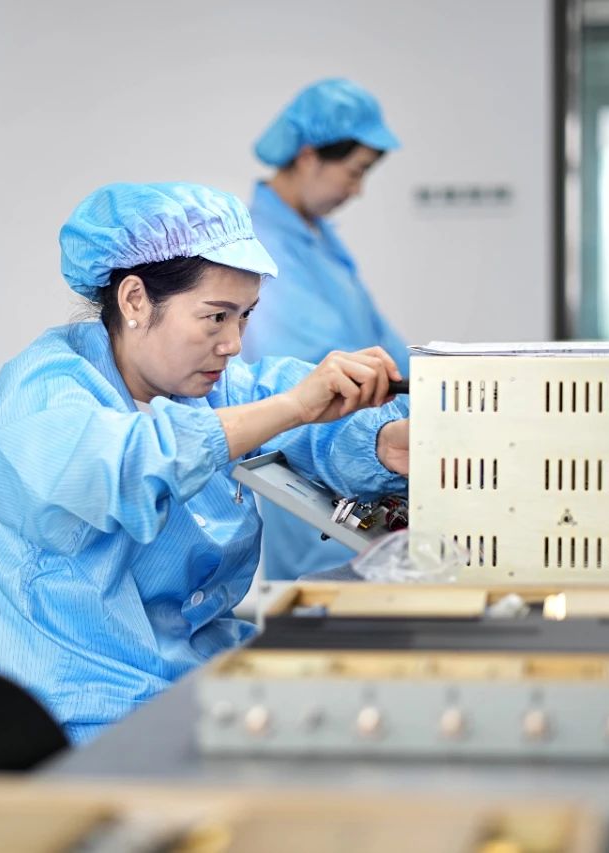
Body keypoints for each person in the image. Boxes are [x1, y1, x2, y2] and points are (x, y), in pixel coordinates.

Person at [0, 182, 410, 743]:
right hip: (100, 711)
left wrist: (384, 440)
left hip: (203, 681)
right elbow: (126, 464)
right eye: (215, 317)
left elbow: (293, 409)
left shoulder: (201, 387)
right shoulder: (43, 393)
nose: (233, 343)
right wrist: (292, 407)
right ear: (134, 301)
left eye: (245, 317)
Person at [242, 78, 412, 580]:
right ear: (309, 156)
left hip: (371, 462)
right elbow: (306, 381)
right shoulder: (264, 248)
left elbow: (384, 349)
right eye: (354, 172)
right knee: (322, 601)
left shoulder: (320, 241)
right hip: (324, 481)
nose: (357, 190)